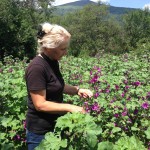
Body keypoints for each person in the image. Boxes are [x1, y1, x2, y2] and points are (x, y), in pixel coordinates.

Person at [25, 22, 93, 150]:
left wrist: (77, 90)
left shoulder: (52, 61)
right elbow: (40, 104)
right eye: (63, 49)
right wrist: (70, 107)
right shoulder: (37, 68)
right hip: (40, 133)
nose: (66, 52)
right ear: (49, 47)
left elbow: (55, 84)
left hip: (54, 126)